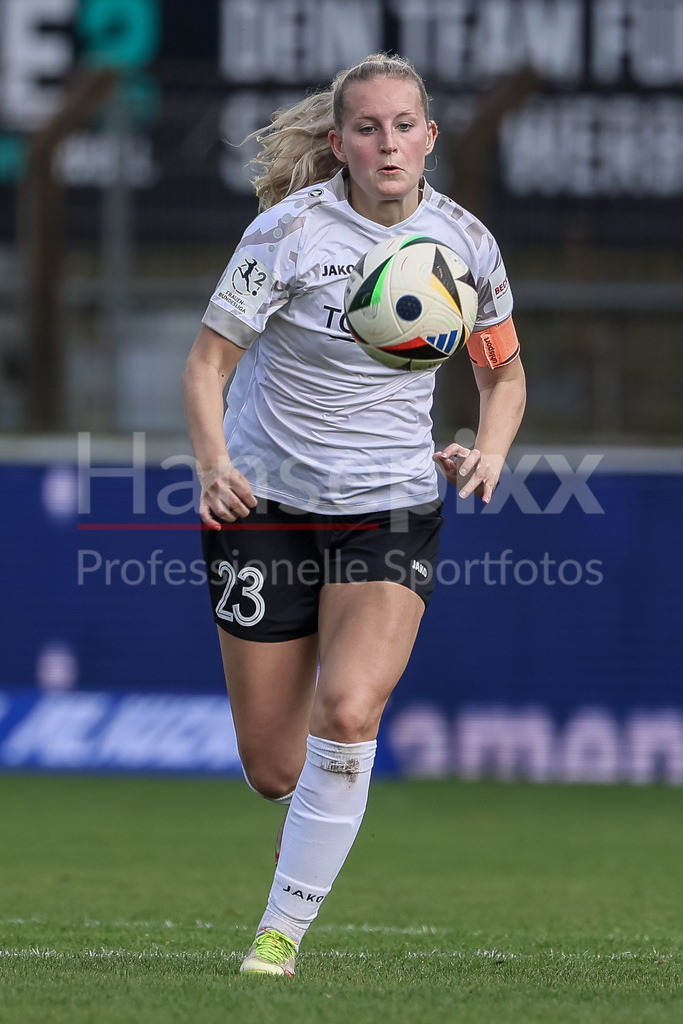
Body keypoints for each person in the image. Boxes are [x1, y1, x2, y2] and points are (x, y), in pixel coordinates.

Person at [182, 53, 526, 977]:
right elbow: (207, 365)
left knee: (347, 708)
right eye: (367, 128)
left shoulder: (466, 244)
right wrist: (213, 465)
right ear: (338, 143)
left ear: (429, 136)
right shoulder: (285, 233)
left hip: (390, 507)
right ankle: (309, 817)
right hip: (264, 505)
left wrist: (489, 451)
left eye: (403, 125)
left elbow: (501, 374)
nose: (387, 144)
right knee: (274, 768)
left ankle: (278, 936)